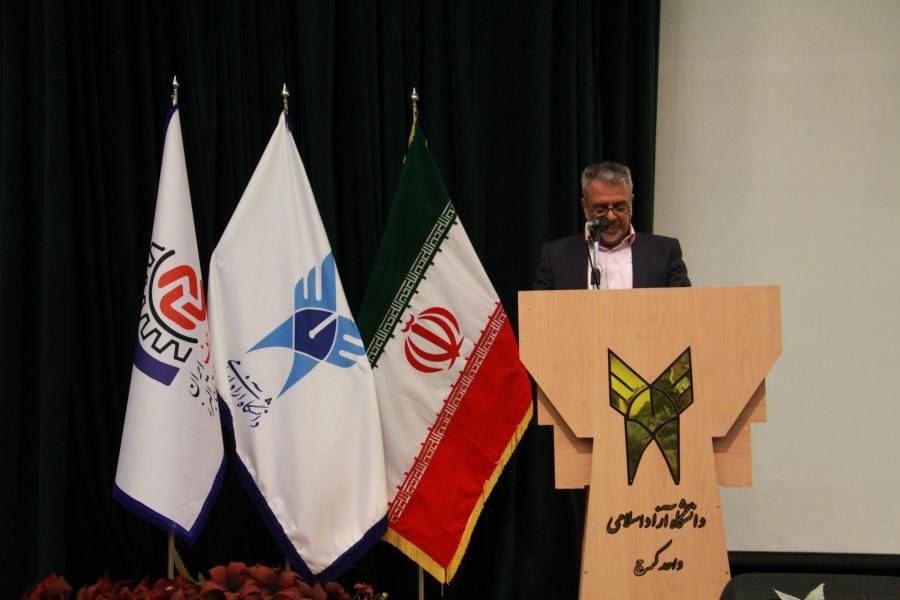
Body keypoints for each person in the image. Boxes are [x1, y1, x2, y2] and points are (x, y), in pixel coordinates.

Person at [533, 161, 690, 290]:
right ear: (585, 208)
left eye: (619, 207)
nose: (611, 216)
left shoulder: (665, 253)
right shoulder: (556, 257)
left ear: (631, 204)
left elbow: (683, 310)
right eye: (601, 208)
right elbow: (539, 313)